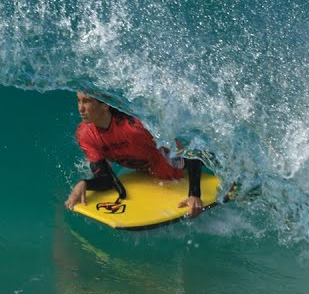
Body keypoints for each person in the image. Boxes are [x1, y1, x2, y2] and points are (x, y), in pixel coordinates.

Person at [64, 92, 204, 217]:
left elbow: (191, 156)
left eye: (87, 101)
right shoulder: (85, 135)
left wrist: (194, 195)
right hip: (144, 167)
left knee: (186, 161)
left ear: (105, 105)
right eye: (78, 100)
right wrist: (85, 184)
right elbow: (106, 179)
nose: (80, 108)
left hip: (165, 163)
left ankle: (217, 160)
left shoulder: (135, 128)